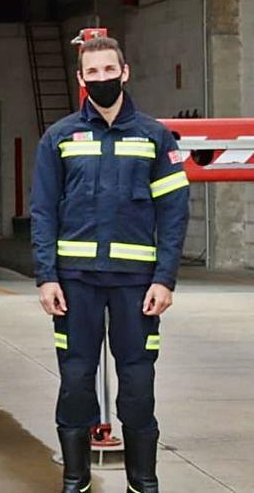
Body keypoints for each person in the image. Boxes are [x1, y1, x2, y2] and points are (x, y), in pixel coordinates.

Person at [31, 36, 189, 493]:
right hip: (74, 285)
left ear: (125, 72)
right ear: (81, 80)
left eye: (108, 70)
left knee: (138, 386)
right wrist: (46, 276)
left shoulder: (155, 137)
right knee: (76, 381)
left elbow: (174, 212)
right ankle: (75, 480)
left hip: (136, 287)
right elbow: (43, 210)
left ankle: (144, 483)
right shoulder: (58, 138)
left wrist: (165, 278)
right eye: (92, 73)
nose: (101, 79)